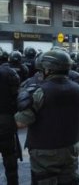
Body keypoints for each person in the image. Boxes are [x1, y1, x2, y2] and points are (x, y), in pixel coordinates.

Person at [15, 49, 79, 184]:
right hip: (71, 148)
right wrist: (76, 141)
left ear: (48, 70)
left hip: (44, 152)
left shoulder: (38, 91)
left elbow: (21, 123)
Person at [0, 48, 20, 185]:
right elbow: (17, 96)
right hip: (6, 119)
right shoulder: (9, 73)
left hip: (6, 117)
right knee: (9, 156)